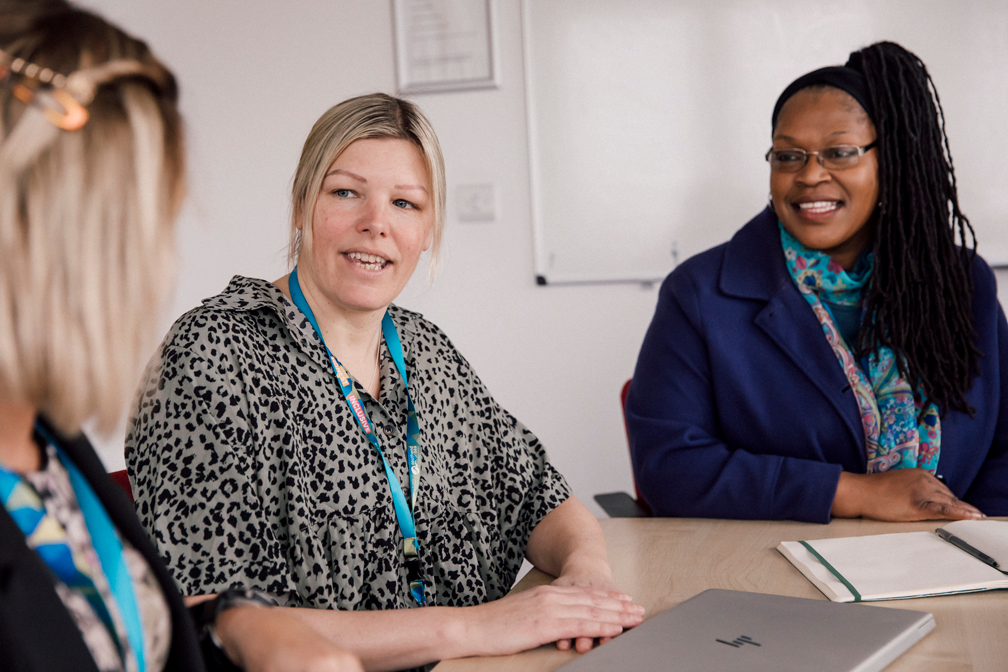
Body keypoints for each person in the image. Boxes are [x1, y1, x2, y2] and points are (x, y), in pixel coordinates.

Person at [126, 92, 644, 672]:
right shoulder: (212, 352)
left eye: (405, 203)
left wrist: (587, 576)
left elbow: (539, 496)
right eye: (346, 192)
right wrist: (478, 626)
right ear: (301, 205)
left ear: (427, 231)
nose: (376, 224)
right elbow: (208, 613)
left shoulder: (424, 349)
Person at [0, 3, 363, 671]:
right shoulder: (214, 348)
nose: (153, 259)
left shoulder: (48, 444)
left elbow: (106, 631)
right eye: (131, 220)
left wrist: (234, 623)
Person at [626, 41, 1008, 524]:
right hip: (773, 564)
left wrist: (980, 541)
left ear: (890, 162)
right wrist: (857, 494)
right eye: (788, 156)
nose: (809, 175)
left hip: (952, 559)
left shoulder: (959, 283)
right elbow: (670, 469)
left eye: (839, 153)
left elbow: (1004, 449)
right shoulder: (701, 294)